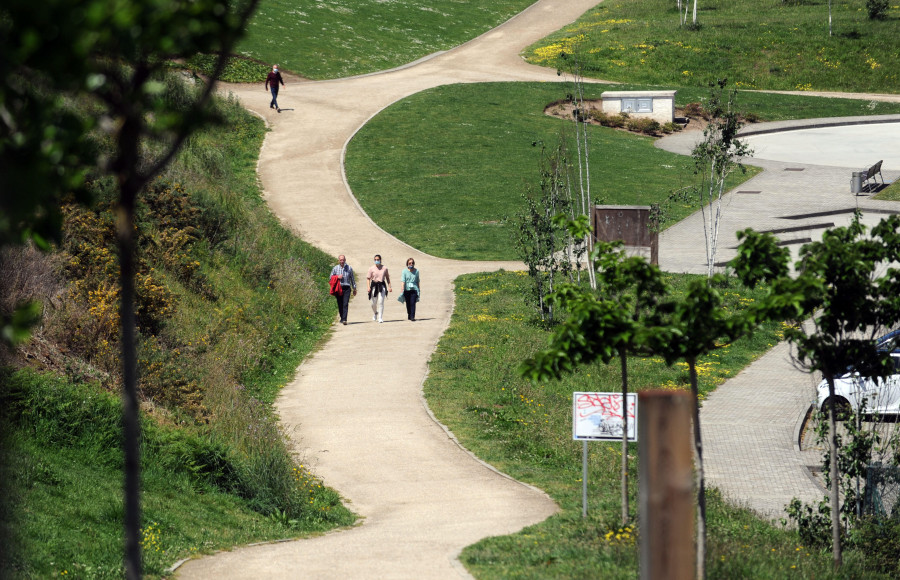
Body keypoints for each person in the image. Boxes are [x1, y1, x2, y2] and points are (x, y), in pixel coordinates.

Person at [330, 255, 356, 325]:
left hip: (347, 288)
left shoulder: (349, 268)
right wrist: (337, 277)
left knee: (345, 303)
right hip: (338, 288)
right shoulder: (335, 268)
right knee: (340, 304)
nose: (342, 261)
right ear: (338, 260)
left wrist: (354, 288)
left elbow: (352, 279)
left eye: (343, 260)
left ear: (345, 260)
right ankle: (342, 317)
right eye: (341, 260)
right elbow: (330, 278)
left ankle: (344, 319)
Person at [366, 254, 392, 323]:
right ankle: (375, 313)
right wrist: (368, 287)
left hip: (381, 286)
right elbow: (368, 278)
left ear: (380, 260)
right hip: (374, 286)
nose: (376, 261)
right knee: (373, 303)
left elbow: (387, 278)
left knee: (381, 302)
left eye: (378, 260)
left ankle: (380, 317)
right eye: (375, 260)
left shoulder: (385, 268)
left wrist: (389, 286)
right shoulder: (371, 268)